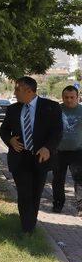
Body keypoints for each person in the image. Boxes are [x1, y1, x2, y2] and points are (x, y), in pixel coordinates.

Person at [0, 76, 63, 233]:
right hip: (20, 157)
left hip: (40, 158)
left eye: (17, 89)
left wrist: (48, 148)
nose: (14, 92)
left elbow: (57, 132)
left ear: (29, 90)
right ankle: (26, 230)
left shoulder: (51, 107)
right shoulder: (13, 109)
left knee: (35, 195)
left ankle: (30, 227)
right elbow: (3, 130)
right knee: (24, 194)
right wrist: (10, 140)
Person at [52, 85, 82, 216]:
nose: (69, 100)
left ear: (78, 97)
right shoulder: (56, 110)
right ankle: (58, 204)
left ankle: (81, 207)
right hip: (59, 151)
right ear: (62, 97)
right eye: (66, 97)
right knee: (58, 180)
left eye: (72, 97)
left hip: (78, 151)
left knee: (79, 180)